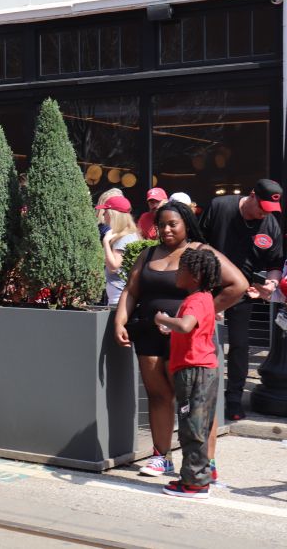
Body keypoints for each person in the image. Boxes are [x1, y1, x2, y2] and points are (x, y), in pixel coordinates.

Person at [114, 201, 246, 477]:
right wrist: (120, 320)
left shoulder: (201, 252)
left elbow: (239, 284)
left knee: (197, 402)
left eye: (173, 223)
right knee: (159, 396)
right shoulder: (148, 254)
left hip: (187, 339)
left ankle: (205, 463)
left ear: (186, 223)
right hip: (148, 331)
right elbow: (131, 291)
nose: (166, 229)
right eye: (161, 224)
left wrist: (203, 313)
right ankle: (162, 456)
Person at [199, 179, 284, 421]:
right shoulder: (219, 207)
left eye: (269, 210)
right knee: (201, 340)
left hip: (243, 291)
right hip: (207, 285)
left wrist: (271, 284)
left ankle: (233, 398)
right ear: (252, 195)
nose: (264, 213)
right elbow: (196, 243)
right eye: (262, 207)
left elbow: (275, 263)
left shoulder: (270, 224)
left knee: (239, 344)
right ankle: (198, 397)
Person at [154, 248, 222, 499]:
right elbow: (191, 330)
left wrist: (163, 318)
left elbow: (185, 325)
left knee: (191, 425)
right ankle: (199, 475)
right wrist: (170, 328)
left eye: (181, 269)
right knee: (198, 424)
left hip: (194, 370)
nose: (176, 273)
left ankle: (194, 483)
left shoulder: (195, 300)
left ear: (195, 274)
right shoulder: (203, 298)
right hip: (201, 369)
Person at [99, 195, 139, 305]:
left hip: (119, 298)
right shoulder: (128, 234)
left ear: (113, 215)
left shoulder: (124, 237)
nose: (103, 214)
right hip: (119, 297)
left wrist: (106, 242)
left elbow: (113, 267)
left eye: (106, 211)